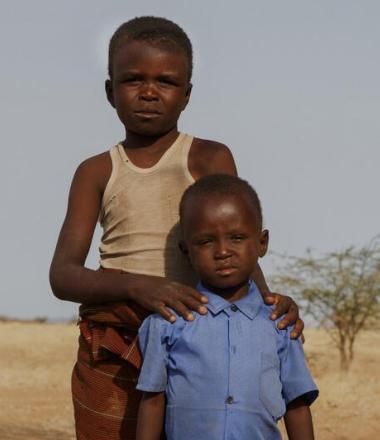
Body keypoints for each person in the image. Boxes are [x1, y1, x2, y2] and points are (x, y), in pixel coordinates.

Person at [49, 16, 303, 440]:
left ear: (186, 95)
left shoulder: (208, 158)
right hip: (114, 343)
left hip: (199, 341)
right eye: (133, 79)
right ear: (111, 91)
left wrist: (270, 306)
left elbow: (236, 245)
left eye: (166, 81)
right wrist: (139, 287)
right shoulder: (96, 171)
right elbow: (63, 275)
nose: (149, 92)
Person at [136, 174, 318, 440]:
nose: (222, 251)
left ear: (261, 243)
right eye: (206, 241)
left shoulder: (279, 323)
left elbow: (297, 406)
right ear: (186, 251)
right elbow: (152, 401)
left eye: (237, 237)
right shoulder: (167, 324)